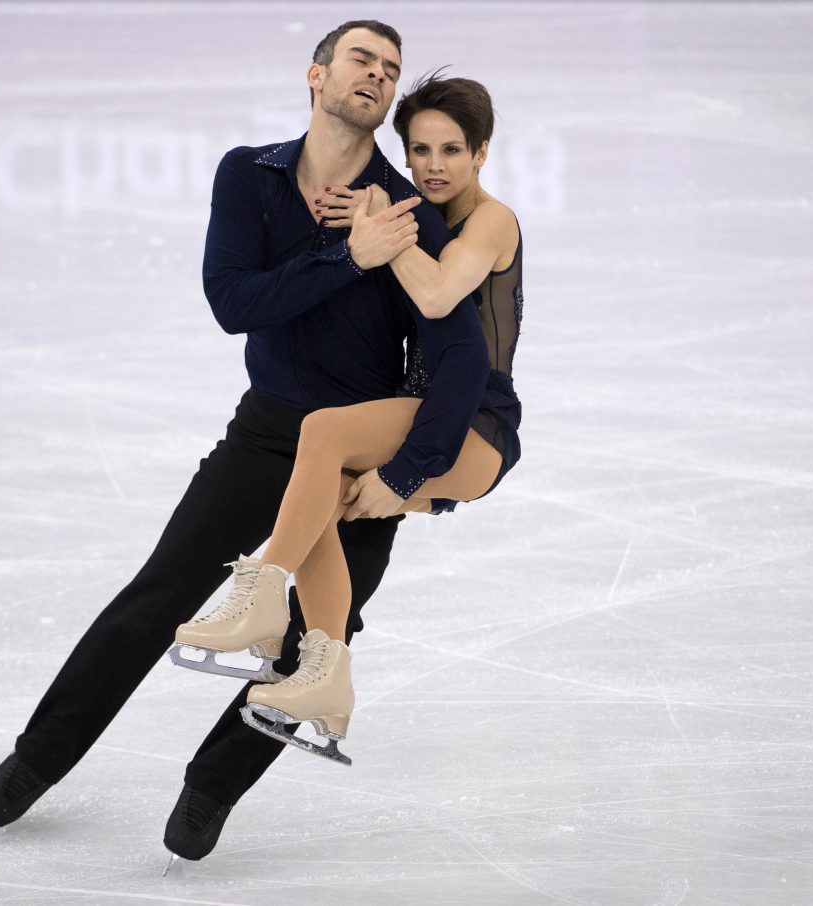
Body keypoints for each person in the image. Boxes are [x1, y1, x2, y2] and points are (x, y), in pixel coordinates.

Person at [0, 20, 490, 866]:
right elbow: (232, 301)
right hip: (267, 431)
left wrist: (406, 472)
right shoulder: (248, 176)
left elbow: (457, 353)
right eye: (363, 59)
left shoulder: (407, 213)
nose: (378, 75)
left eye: (391, 70)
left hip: (354, 452)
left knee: (319, 641)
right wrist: (347, 258)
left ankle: (212, 788)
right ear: (316, 75)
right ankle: (38, 758)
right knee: (162, 593)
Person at [172, 73, 523, 770]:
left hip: (473, 427)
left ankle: (263, 600)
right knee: (315, 509)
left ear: (481, 152)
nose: (433, 166)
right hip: (422, 414)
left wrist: (381, 232)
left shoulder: (490, 220)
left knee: (323, 432)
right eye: (419, 150)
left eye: (451, 149)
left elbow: (441, 293)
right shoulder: (418, 215)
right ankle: (324, 679)